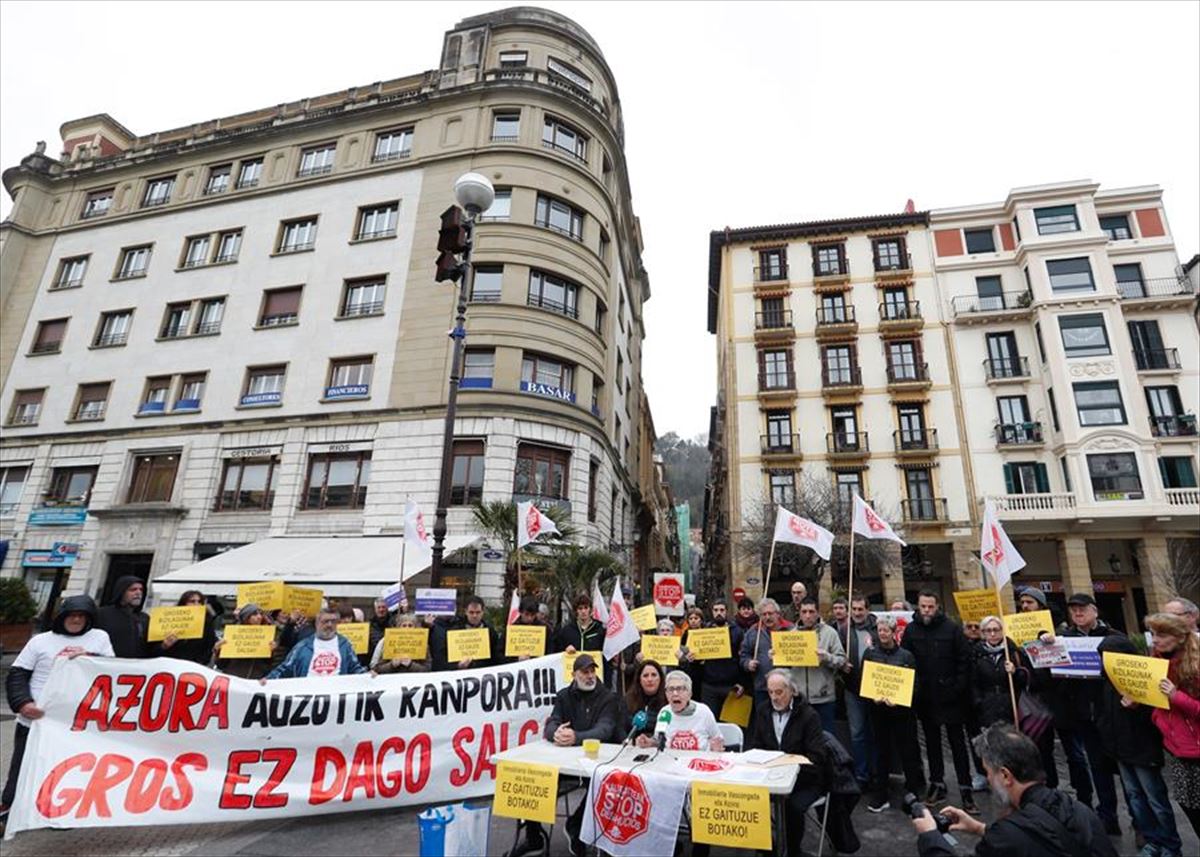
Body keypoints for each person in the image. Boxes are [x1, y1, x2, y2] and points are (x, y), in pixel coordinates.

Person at [914, 724, 1118, 857]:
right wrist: (980, 829)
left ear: (1005, 776)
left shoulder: (1006, 836)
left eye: (988, 772)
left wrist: (930, 836)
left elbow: (1019, 839)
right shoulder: (1080, 811)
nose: (987, 779)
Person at [1, 595, 114, 825]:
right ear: (62, 616)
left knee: (66, 769)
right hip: (35, 720)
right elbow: (18, 674)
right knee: (23, 766)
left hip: (74, 724)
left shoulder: (100, 638)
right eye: (72, 615)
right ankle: (8, 810)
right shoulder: (40, 641)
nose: (76, 619)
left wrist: (90, 657)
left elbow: (112, 669)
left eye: (81, 616)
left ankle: (58, 814)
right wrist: (23, 703)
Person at [1096, 634, 1182, 857]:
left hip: (1143, 749)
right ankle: (1152, 840)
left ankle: (1170, 845)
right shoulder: (1106, 683)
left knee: (1156, 800)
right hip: (1121, 750)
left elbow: (1157, 717)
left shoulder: (1143, 679)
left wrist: (1138, 708)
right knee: (1135, 797)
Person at [1052, 592, 1125, 834]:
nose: (1078, 613)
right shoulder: (1065, 639)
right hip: (1084, 713)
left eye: (1082, 609)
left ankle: (1139, 820)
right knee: (1098, 767)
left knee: (1125, 769)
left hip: (1113, 714)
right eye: (1073, 610)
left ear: (1095, 611)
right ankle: (1107, 816)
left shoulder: (1114, 637)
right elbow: (1055, 677)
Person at [903, 589, 977, 813]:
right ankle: (937, 783)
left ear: (937, 607)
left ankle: (966, 788)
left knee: (957, 744)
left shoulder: (952, 629)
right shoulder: (911, 629)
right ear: (918, 606)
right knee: (932, 744)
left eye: (930, 606)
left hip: (951, 697)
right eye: (923, 606)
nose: (926, 610)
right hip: (926, 699)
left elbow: (965, 661)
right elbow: (905, 660)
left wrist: (957, 688)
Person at [746, 668, 830, 857]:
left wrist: (789, 765)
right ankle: (767, 848)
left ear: (792, 690)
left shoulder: (809, 716)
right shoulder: (762, 711)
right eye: (770, 692)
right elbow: (757, 746)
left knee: (791, 806)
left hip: (805, 779)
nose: (774, 697)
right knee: (750, 799)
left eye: (779, 692)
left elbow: (817, 757)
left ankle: (793, 851)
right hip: (770, 776)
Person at [543, 654, 620, 855]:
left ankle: (575, 826)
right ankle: (534, 838)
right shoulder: (563, 696)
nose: (590, 676)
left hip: (596, 762)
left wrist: (575, 737)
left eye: (592, 671)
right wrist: (556, 733)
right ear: (574, 674)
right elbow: (552, 722)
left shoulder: (607, 697)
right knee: (531, 777)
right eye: (584, 672)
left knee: (602, 782)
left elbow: (605, 729)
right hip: (566, 762)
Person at [1145, 612, 1200, 839]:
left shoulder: (1195, 665)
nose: (1155, 640)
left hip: (1197, 752)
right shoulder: (1156, 662)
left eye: (1162, 634)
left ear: (1178, 637)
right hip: (1177, 752)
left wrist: (1176, 696)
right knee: (1190, 810)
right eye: (1153, 634)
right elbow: (1158, 706)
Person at [863, 614, 924, 813]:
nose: (882, 634)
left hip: (902, 713)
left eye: (886, 630)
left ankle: (913, 792)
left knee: (908, 752)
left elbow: (914, 685)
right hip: (879, 711)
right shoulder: (870, 654)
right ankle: (881, 794)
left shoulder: (906, 656)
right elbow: (866, 679)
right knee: (882, 752)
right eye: (879, 630)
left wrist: (900, 700)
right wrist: (872, 696)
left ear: (893, 632)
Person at [1015, 586, 1061, 790]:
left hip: (1047, 698)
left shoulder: (1054, 631)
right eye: (1022, 602)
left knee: (1045, 748)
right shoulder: (1016, 628)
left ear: (1040, 605)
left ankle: (1050, 786)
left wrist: (1051, 643)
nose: (1025, 606)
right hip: (1026, 697)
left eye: (1029, 602)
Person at [839, 594, 880, 789]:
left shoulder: (877, 629)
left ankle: (877, 773)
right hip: (853, 688)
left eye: (860, 609)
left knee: (876, 732)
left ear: (867, 610)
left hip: (875, 689)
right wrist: (842, 665)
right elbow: (839, 654)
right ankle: (862, 774)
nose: (856, 613)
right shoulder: (845, 630)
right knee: (857, 734)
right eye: (853, 609)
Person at [262, 607, 368, 679]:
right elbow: (285, 668)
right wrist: (266, 681)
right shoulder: (302, 646)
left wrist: (370, 678)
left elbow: (355, 668)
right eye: (325, 621)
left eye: (333, 621)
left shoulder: (345, 645)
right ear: (317, 623)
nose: (329, 625)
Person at [790, 596, 846, 733]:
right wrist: (776, 657)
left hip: (823, 698)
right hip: (799, 698)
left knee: (826, 738)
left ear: (817, 613)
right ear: (800, 613)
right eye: (804, 612)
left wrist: (827, 658)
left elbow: (842, 660)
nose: (808, 616)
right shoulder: (791, 635)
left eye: (811, 612)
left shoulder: (830, 633)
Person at [971, 616, 1030, 728]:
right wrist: (979, 702)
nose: (993, 634)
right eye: (988, 630)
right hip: (987, 707)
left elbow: (1025, 681)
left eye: (996, 630)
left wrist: (1015, 672)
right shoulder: (976, 653)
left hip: (1011, 706)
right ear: (983, 633)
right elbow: (973, 682)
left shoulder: (1013, 651)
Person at [696, 597, 747, 719]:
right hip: (709, 686)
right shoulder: (703, 632)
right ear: (712, 612)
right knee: (709, 722)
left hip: (731, 686)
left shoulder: (737, 632)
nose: (719, 613)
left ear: (727, 612)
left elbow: (742, 657)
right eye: (716, 610)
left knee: (731, 724)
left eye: (722, 610)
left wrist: (742, 682)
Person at [740, 597, 794, 711]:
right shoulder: (754, 631)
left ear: (778, 614)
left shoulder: (790, 629)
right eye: (764, 614)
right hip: (762, 687)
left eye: (770, 613)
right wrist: (747, 663)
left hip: (786, 687)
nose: (767, 617)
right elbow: (743, 654)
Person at [211, 603, 279, 680]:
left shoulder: (267, 636)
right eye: (255, 614)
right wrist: (218, 651)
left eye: (260, 614)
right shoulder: (233, 635)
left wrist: (272, 652)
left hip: (256, 681)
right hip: (234, 681)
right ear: (246, 617)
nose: (259, 617)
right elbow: (221, 664)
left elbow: (270, 665)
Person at [661, 670, 724, 751]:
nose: (675, 693)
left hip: (699, 760)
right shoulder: (664, 713)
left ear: (690, 694)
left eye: (680, 689)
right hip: (671, 760)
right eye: (671, 689)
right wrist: (649, 742)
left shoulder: (703, 712)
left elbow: (718, 740)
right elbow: (658, 741)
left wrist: (715, 749)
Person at [93, 575, 150, 658]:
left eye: (141, 590)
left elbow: (150, 648)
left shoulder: (145, 618)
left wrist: (164, 646)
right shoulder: (101, 614)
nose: (138, 593)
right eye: (133, 590)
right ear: (121, 592)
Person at [156, 589, 217, 665]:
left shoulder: (207, 624)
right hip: (169, 665)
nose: (196, 604)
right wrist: (164, 646)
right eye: (192, 601)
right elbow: (154, 649)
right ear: (183, 604)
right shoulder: (170, 621)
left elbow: (209, 647)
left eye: (199, 602)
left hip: (194, 668)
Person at [622, 659, 667, 747]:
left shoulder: (668, 701)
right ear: (639, 680)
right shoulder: (627, 700)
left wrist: (653, 742)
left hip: (658, 748)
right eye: (645, 676)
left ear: (660, 678)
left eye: (654, 675)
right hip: (632, 747)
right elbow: (621, 728)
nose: (650, 679)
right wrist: (629, 741)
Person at [504, 595, 550, 663]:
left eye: (532, 615)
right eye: (526, 614)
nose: (529, 618)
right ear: (520, 612)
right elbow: (500, 654)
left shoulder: (545, 629)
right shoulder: (512, 630)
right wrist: (516, 659)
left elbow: (551, 651)